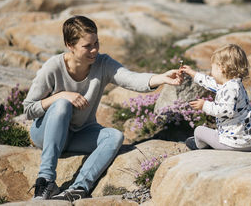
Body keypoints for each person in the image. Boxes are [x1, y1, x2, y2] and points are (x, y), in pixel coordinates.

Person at [23, 15, 183, 201]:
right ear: (69, 45)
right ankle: (46, 181)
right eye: (87, 46)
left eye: (96, 43)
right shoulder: (53, 67)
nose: (94, 50)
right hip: (45, 133)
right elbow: (28, 109)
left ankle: (79, 188)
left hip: (78, 134)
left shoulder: (103, 63)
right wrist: (61, 96)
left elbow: (131, 78)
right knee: (61, 106)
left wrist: (162, 78)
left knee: (115, 136)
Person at [180, 44, 251, 151]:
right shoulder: (233, 84)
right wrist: (192, 73)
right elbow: (210, 82)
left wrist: (205, 105)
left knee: (199, 131)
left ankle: (201, 146)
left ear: (222, 68)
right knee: (214, 133)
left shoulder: (230, 88)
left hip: (234, 144)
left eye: (212, 67)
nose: (211, 71)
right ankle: (213, 142)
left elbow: (226, 111)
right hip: (250, 141)